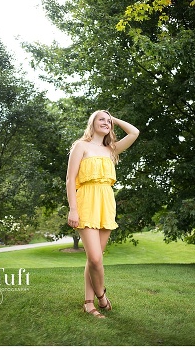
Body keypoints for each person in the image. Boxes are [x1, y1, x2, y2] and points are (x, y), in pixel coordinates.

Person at [66, 110, 139, 319]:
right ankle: (102, 296)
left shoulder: (111, 149)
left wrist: (113, 118)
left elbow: (134, 132)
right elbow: (71, 180)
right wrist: (73, 208)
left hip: (106, 203)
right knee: (95, 258)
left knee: (93, 260)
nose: (106, 123)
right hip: (86, 201)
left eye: (109, 121)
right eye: (102, 119)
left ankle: (89, 303)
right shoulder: (80, 146)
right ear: (92, 123)